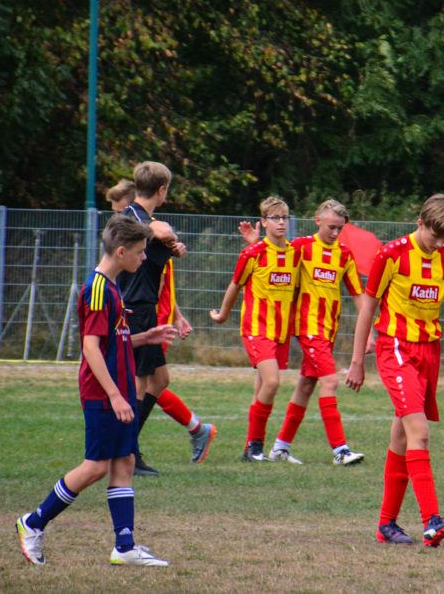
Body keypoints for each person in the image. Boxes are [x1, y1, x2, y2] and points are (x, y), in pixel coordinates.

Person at [15, 215, 177, 567]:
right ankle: (34, 522)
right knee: (95, 467)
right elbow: (90, 347)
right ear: (121, 252)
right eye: (139, 252)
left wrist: (144, 337)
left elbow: (112, 341)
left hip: (118, 387)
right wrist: (115, 396)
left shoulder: (112, 286)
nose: (144, 258)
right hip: (103, 392)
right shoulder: (99, 289)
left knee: (125, 461)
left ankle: (125, 547)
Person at [346, 194, 444, 547]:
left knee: (402, 436)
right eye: (435, 235)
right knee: (420, 432)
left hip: (429, 352)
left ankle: (386, 525)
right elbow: (368, 309)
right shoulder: (392, 254)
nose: (439, 243)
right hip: (395, 348)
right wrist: (357, 361)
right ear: (420, 223)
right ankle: (431, 520)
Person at [240, 199, 370, 466]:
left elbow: (358, 295)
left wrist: (368, 333)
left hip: (328, 330)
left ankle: (280, 447)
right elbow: (271, 254)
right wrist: (254, 242)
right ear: (317, 221)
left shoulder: (344, 254)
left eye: (340, 228)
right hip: (307, 327)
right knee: (330, 382)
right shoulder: (300, 247)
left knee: (307, 385)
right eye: (331, 227)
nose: (335, 233)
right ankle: (340, 450)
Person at [118, 162, 216, 475]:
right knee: (139, 384)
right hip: (135, 309)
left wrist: (170, 249)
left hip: (146, 308)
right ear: (161, 191)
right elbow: (160, 231)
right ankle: (128, 455)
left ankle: (128, 449)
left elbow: (149, 248)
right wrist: (169, 236)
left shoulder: (139, 221)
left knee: (160, 381)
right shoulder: (136, 217)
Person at [210, 196, 300, 462]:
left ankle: (250, 450)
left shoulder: (296, 253)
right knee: (272, 382)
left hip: (281, 332)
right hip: (256, 328)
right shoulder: (253, 253)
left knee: (262, 388)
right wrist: (223, 315)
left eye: (284, 217)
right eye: (275, 218)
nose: (281, 222)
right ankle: (255, 447)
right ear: (264, 222)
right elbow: (235, 284)